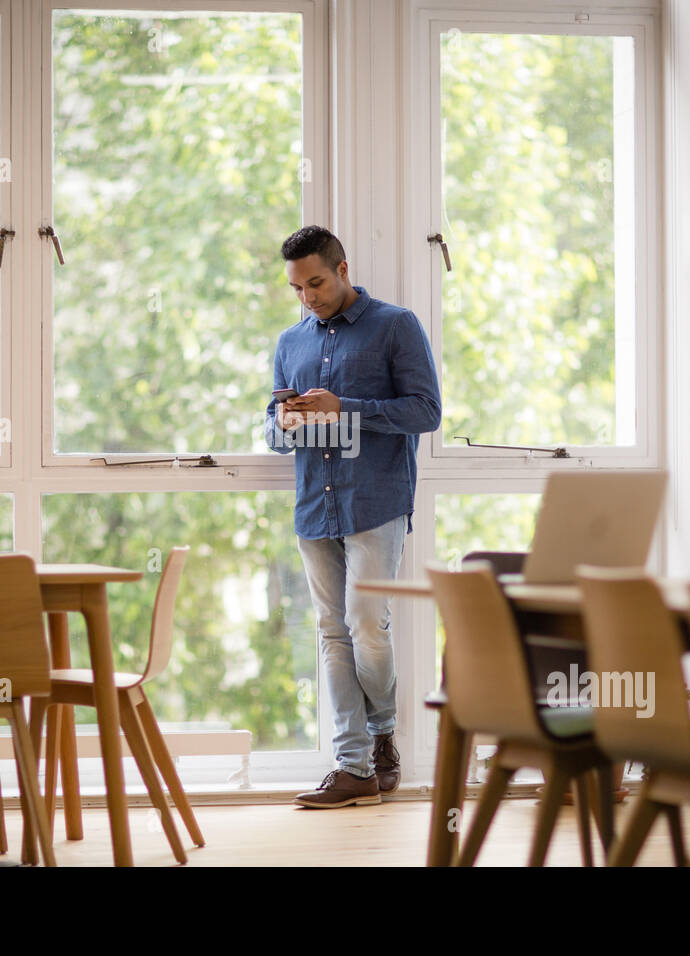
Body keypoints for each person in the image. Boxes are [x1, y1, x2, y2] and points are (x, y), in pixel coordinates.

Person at [264, 225, 441, 808]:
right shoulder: (291, 343)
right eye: (297, 288)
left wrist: (350, 408)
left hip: (376, 500)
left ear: (343, 268)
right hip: (315, 502)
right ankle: (354, 765)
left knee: (367, 624)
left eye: (315, 282)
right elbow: (273, 428)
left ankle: (383, 734)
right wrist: (285, 424)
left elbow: (425, 411)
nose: (308, 297)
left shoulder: (396, 325)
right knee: (331, 632)